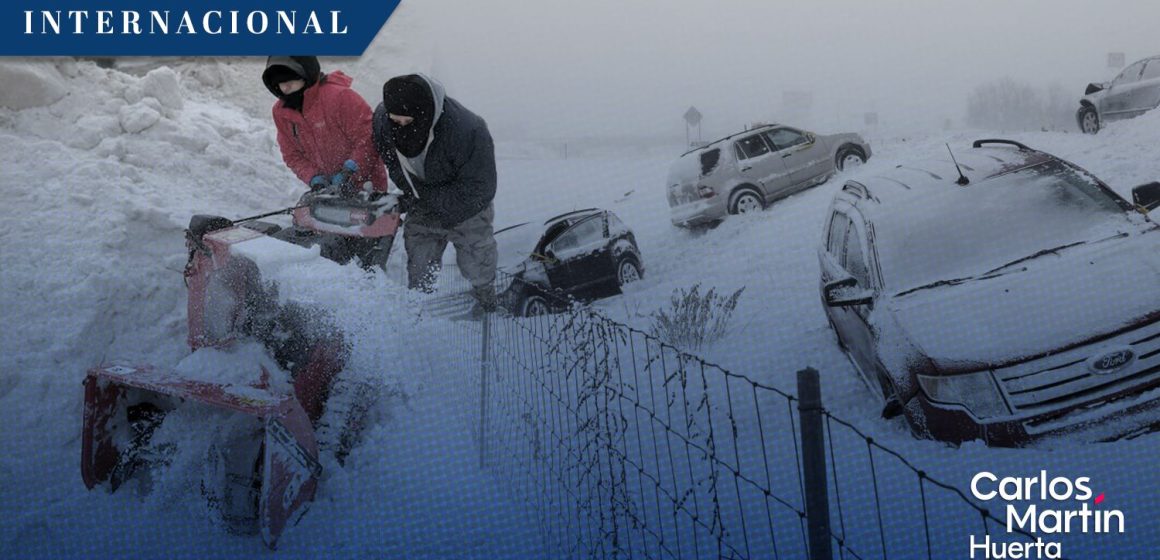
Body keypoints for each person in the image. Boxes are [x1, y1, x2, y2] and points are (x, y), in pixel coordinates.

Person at [371, 74, 499, 316]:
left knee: (477, 262)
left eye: (406, 121)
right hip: (424, 202)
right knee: (420, 265)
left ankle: (486, 302)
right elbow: (393, 163)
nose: (399, 127)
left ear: (425, 114)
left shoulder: (468, 130)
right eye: (394, 121)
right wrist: (414, 194)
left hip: (468, 209)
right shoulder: (382, 121)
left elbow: (481, 188)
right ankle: (420, 311)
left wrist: (425, 197)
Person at [262, 56, 393, 270]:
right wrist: (314, 177)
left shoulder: (340, 97)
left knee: (364, 256)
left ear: (306, 74)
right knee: (327, 250)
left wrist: (350, 171)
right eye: (279, 82)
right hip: (326, 192)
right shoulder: (281, 112)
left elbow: (367, 139)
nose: (285, 86)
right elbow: (292, 154)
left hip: (365, 187)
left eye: (291, 79)